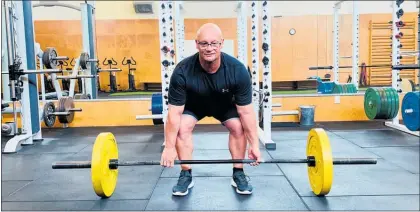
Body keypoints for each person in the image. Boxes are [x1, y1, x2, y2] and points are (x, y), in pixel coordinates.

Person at [160, 23, 262, 196]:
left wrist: (255, 145)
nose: (209, 48)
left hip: (224, 105)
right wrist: (169, 147)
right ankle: (186, 173)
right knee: (182, 127)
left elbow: (246, 112)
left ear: (221, 44)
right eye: (204, 43)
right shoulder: (182, 71)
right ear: (196, 44)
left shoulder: (237, 70)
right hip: (194, 106)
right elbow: (174, 113)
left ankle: (238, 172)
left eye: (214, 43)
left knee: (238, 126)